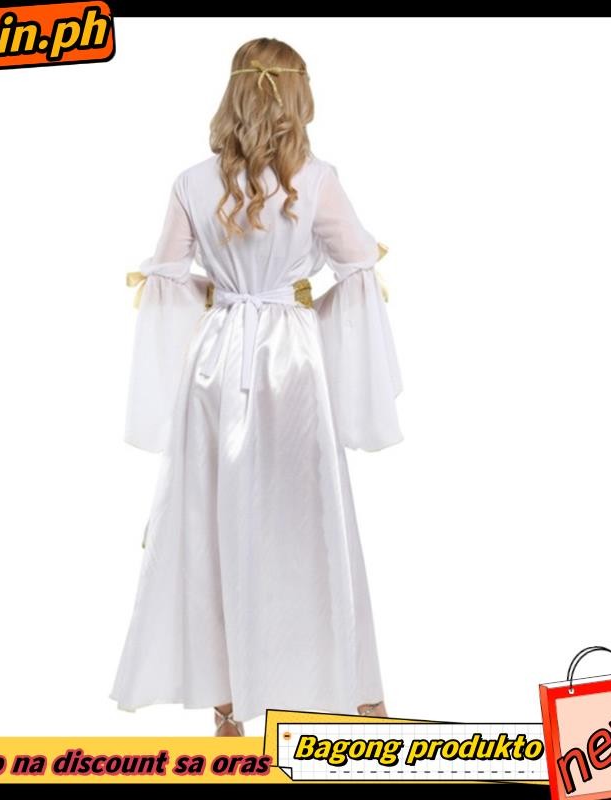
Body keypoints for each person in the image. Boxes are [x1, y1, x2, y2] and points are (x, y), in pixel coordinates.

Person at [111, 37, 403, 736]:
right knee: (310, 522)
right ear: (298, 96)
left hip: (216, 363)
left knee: (216, 518)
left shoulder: (191, 182)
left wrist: (225, 295)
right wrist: (302, 308)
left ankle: (228, 703)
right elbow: (358, 267)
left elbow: (168, 278)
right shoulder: (317, 180)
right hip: (291, 364)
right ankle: (356, 692)